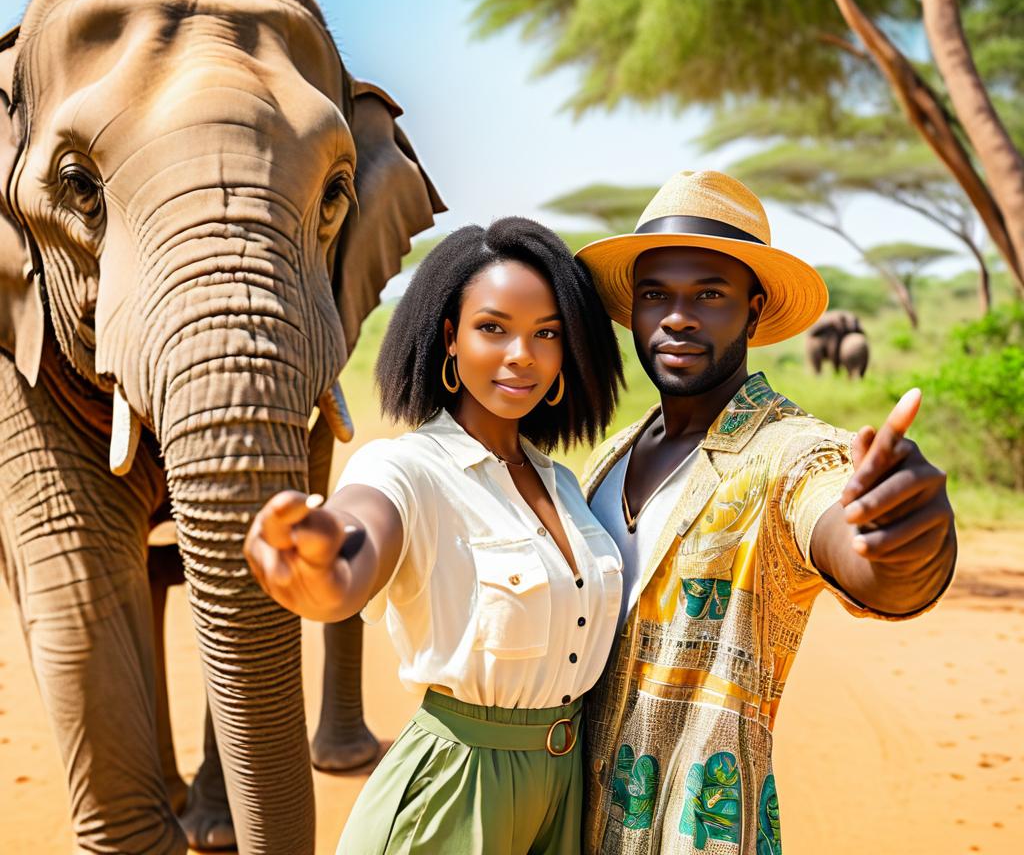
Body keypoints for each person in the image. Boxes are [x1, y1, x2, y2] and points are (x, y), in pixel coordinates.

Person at [573, 170, 956, 855]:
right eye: (656, 294)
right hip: (570, 820)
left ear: (752, 312)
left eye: (710, 295)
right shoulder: (605, 460)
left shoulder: (788, 452)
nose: (678, 317)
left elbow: (850, 539)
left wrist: (903, 545)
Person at [244, 217, 626, 855]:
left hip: (566, 788)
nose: (521, 356)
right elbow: (358, 536)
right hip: (454, 795)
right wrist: (323, 569)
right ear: (451, 337)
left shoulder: (563, 485)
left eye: (547, 334)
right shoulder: (408, 469)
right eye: (493, 328)